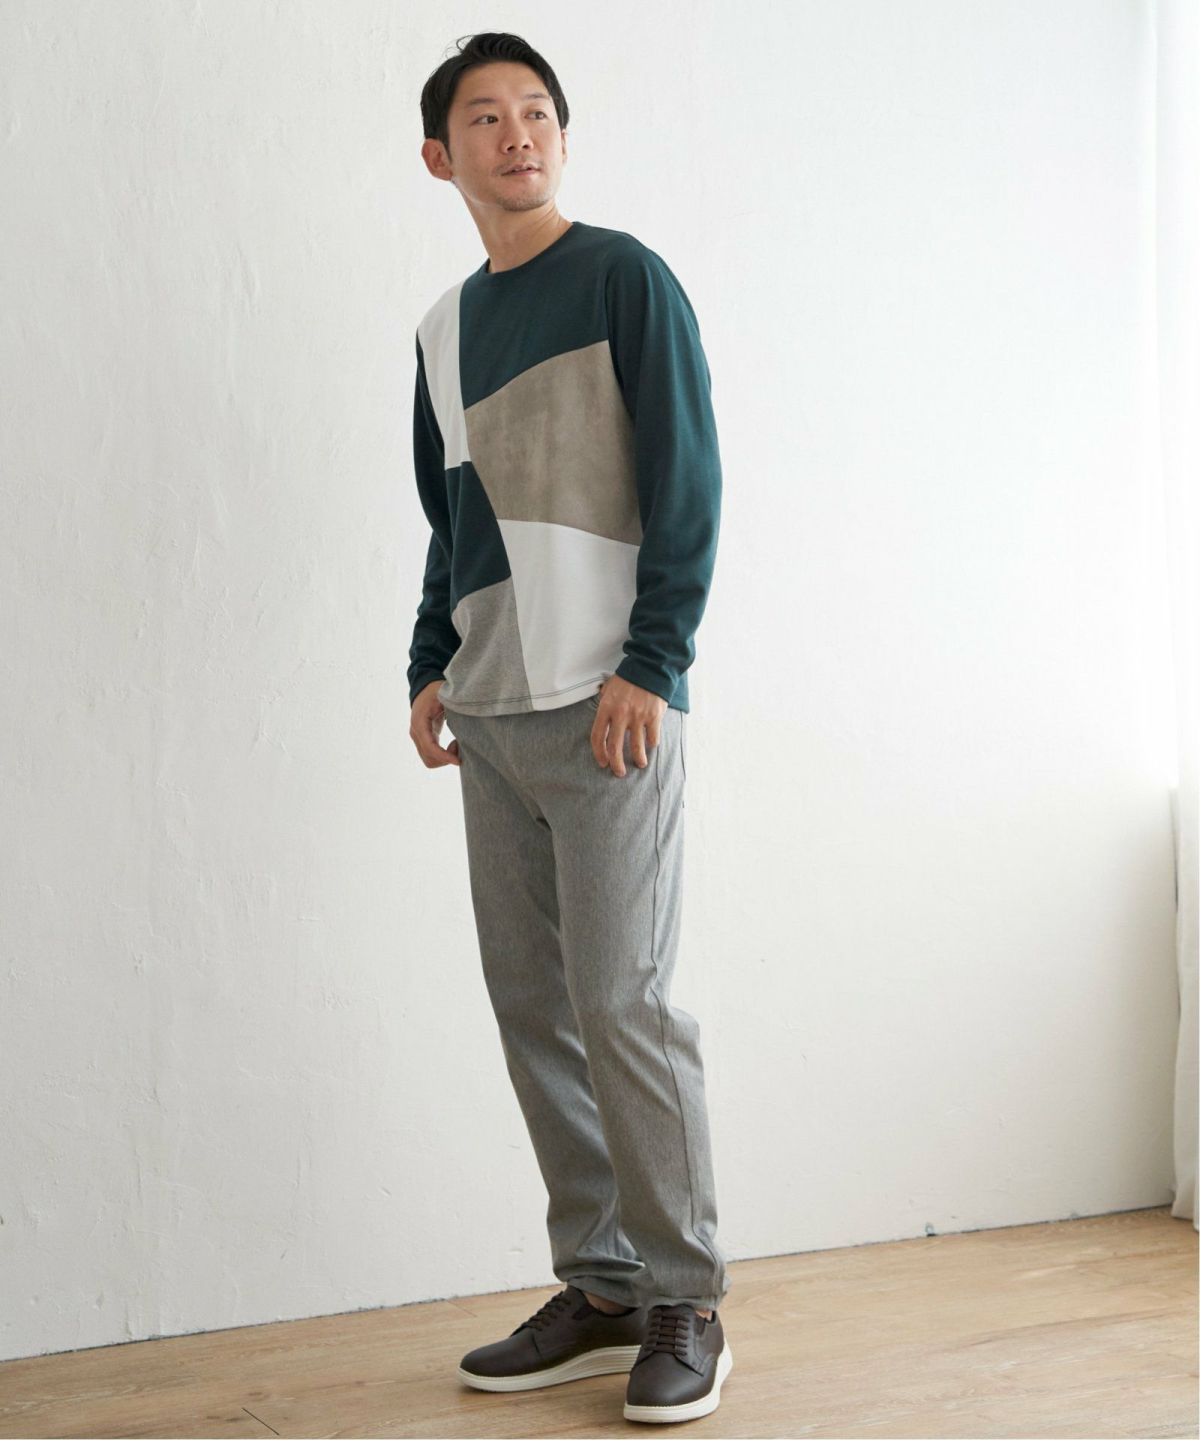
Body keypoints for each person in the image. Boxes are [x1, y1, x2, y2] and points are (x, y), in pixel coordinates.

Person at [406, 31, 731, 1425]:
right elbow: (453, 520)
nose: (518, 133)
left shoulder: (622, 280)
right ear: (442, 156)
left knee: (624, 1004)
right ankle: (602, 1287)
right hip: (491, 712)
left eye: (537, 111)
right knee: (535, 1007)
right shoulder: (441, 330)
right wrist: (430, 661)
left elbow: (687, 476)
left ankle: (686, 1297)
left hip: (608, 704)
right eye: (486, 117)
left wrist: (654, 661)